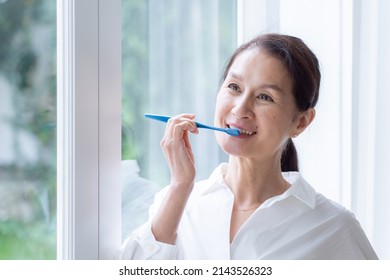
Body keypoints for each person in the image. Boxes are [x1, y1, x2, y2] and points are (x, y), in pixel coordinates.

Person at [119, 33, 378, 260]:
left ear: (301, 122)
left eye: (265, 97)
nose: (240, 109)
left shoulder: (333, 227)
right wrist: (180, 185)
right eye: (234, 87)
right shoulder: (175, 203)